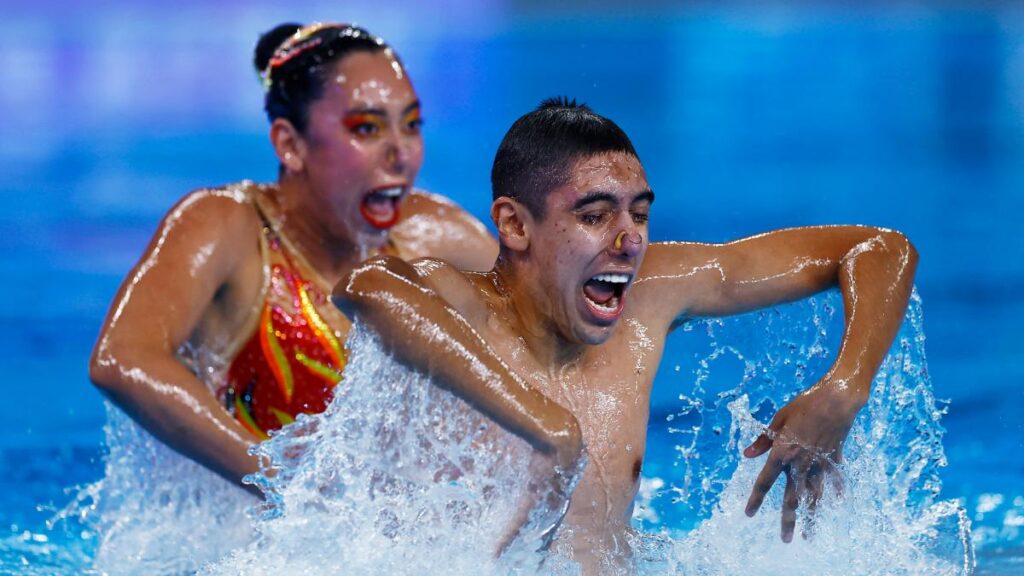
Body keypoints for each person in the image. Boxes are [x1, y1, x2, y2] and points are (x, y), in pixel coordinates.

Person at [334, 98, 918, 571]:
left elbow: (880, 248)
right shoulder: (463, 305)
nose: (630, 239)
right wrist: (547, 425)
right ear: (514, 224)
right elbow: (366, 287)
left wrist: (846, 386)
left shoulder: (651, 296)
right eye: (594, 216)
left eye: (638, 213)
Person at [88, 22, 498, 495]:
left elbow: (555, 337)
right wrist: (280, 483)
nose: (400, 154)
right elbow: (122, 359)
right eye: (366, 128)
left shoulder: (434, 238)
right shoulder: (227, 227)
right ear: (289, 144)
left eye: (411, 125)